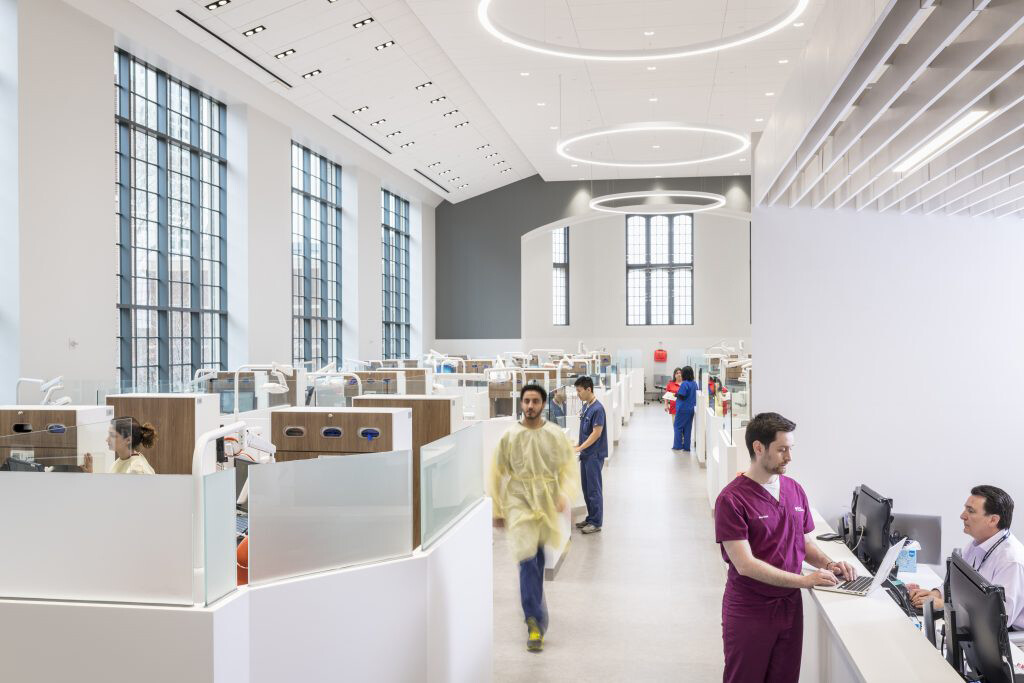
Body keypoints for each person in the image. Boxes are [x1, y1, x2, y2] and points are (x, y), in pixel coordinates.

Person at [715, 412, 856, 683]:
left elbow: (801, 540)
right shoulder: (731, 500)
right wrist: (805, 580)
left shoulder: (794, 489)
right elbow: (744, 564)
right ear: (758, 448)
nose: (789, 457)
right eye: (781, 450)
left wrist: (828, 564)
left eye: (790, 449)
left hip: (790, 607)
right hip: (751, 609)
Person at [488, 383, 577, 653]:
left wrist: (564, 494)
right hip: (518, 502)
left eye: (535, 401)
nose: (530, 406)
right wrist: (498, 508)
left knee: (536, 558)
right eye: (526, 401)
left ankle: (536, 607)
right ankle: (534, 622)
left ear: (542, 404)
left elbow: (568, 466)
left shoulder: (554, 435)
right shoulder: (509, 436)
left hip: (546, 501)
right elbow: (496, 472)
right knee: (527, 560)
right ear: (521, 404)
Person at [906, 485, 1024, 629]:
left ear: (993, 520)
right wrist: (935, 594)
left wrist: (944, 606)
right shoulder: (977, 543)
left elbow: (1000, 619)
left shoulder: (1011, 561)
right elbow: (958, 584)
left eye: (971, 511)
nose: (962, 515)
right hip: (973, 624)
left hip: (1008, 638)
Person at [573, 375, 607, 535]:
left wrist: (580, 448)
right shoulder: (587, 406)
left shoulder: (598, 409)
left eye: (579, 391)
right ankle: (590, 517)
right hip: (586, 454)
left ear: (589, 389)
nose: (578, 394)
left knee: (594, 489)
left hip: (594, 455)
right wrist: (579, 446)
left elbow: (596, 434)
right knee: (586, 489)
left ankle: (596, 522)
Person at [83, 417, 157, 474]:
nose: (107, 439)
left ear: (128, 440)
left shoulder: (136, 469)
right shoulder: (121, 461)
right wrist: (90, 475)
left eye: (112, 435)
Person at [673, 366, 698, 452]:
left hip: (683, 409)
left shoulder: (684, 384)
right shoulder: (695, 383)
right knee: (688, 428)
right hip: (691, 409)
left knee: (677, 427)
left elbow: (682, 396)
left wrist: (676, 395)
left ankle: (677, 446)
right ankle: (687, 447)